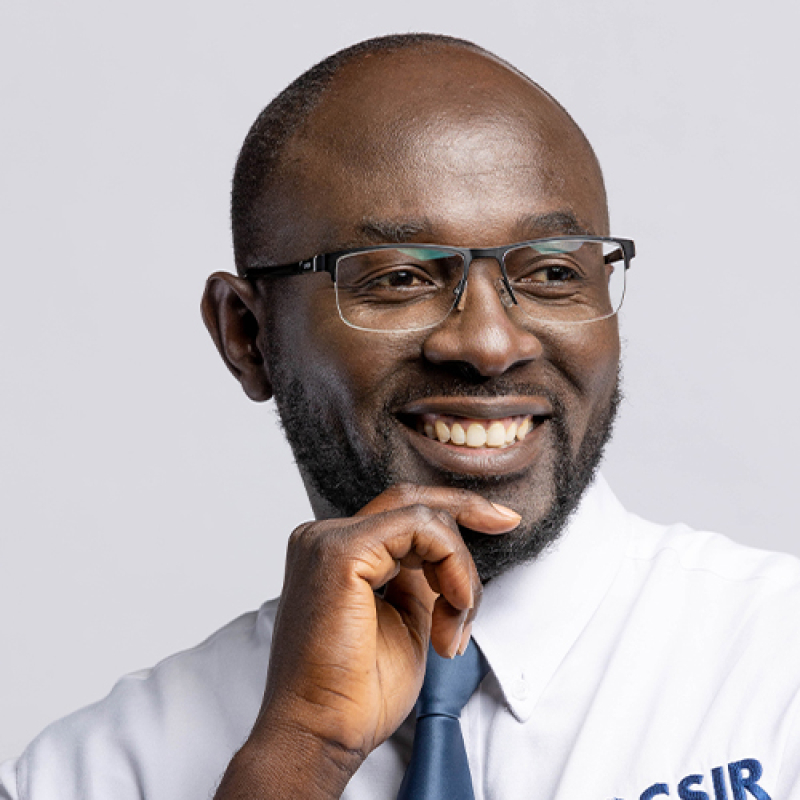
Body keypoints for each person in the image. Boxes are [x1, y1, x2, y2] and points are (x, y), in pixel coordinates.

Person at [2, 32, 799, 800]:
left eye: (553, 272)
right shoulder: (85, 776)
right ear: (246, 335)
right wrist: (300, 754)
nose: (490, 343)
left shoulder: (778, 664)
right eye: (399, 278)